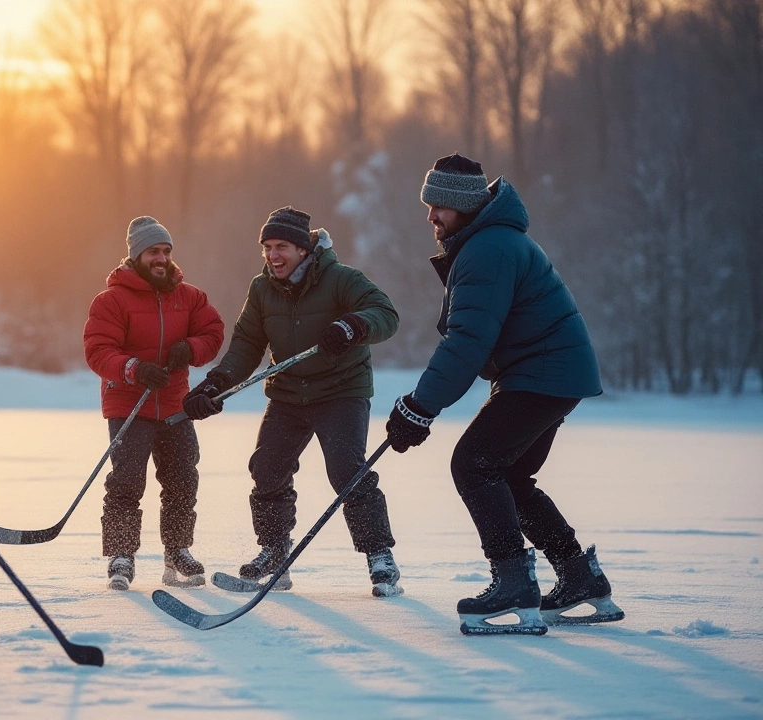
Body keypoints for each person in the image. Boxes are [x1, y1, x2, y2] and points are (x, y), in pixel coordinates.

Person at [385, 154, 624, 635]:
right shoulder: (489, 241)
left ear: (466, 206)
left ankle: (514, 582)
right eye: (429, 205)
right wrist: (421, 406)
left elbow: (466, 342)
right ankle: (578, 576)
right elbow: (470, 338)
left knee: (473, 463)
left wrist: (419, 406)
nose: (431, 216)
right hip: (549, 374)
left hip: (544, 374)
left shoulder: (488, 249)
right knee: (509, 475)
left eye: (441, 207)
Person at [183, 207, 402, 596]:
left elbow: (385, 313)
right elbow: (248, 343)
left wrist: (353, 325)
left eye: (281, 246)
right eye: (266, 247)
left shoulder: (341, 278)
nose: (272, 256)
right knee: (267, 467)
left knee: (346, 470)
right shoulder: (262, 288)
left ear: (304, 248)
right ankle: (274, 553)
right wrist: (216, 382)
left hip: (341, 391)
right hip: (287, 394)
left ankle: (379, 555)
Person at [83, 217, 225, 590]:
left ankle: (177, 552)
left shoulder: (189, 296)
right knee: (126, 483)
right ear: (136, 256)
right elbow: (98, 351)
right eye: (153, 252)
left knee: (181, 481)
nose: (161, 258)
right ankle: (121, 555)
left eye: (165, 251)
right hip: (129, 405)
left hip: (176, 405)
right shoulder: (111, 300)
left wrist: (190, 349)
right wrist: (134, 368)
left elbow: (213, 333)